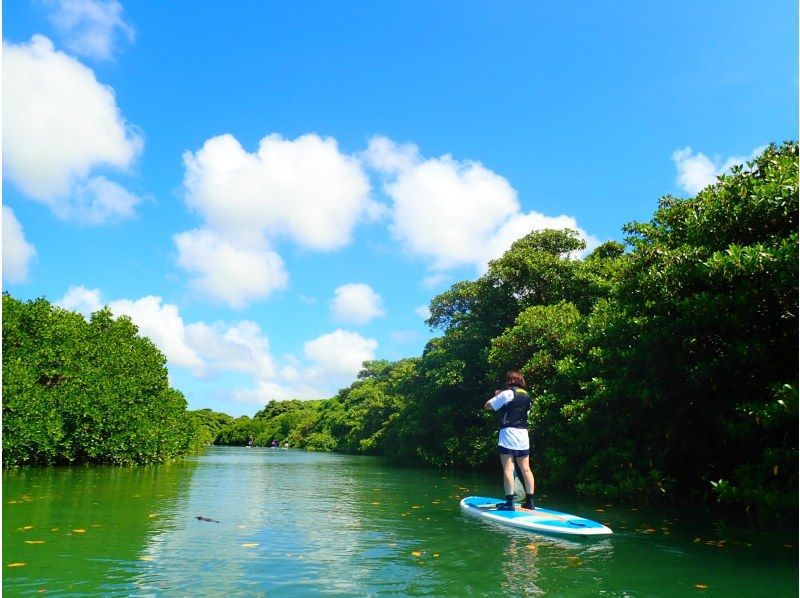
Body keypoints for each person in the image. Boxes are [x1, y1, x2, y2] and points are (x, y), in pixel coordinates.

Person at [484, 370, 536, 510]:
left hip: (509, 433)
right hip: (523, 434)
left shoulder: (507, 393)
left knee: (508, 468)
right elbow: (525, 413)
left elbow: (488, 406)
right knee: (526, 468)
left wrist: (497, 395)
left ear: (509, 381)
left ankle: (509, 503)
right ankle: (530, 502)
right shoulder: (527, 396)